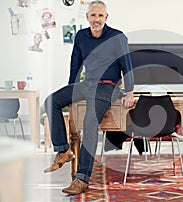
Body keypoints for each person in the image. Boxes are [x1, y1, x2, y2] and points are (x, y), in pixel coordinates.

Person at [43, 0, 134, 195]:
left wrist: (130, 91)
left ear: (106, 18)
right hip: (87, 84)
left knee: (90, 122)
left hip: (108, 88)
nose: (97, 19)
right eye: (93, 15)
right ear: (87, 17)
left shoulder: (117, 37)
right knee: (51, 101)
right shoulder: (81, 36)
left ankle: (82, 179)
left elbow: (127, 64)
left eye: (100, 16)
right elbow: (75, 65)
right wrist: (71, 91)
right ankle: (63, 150)